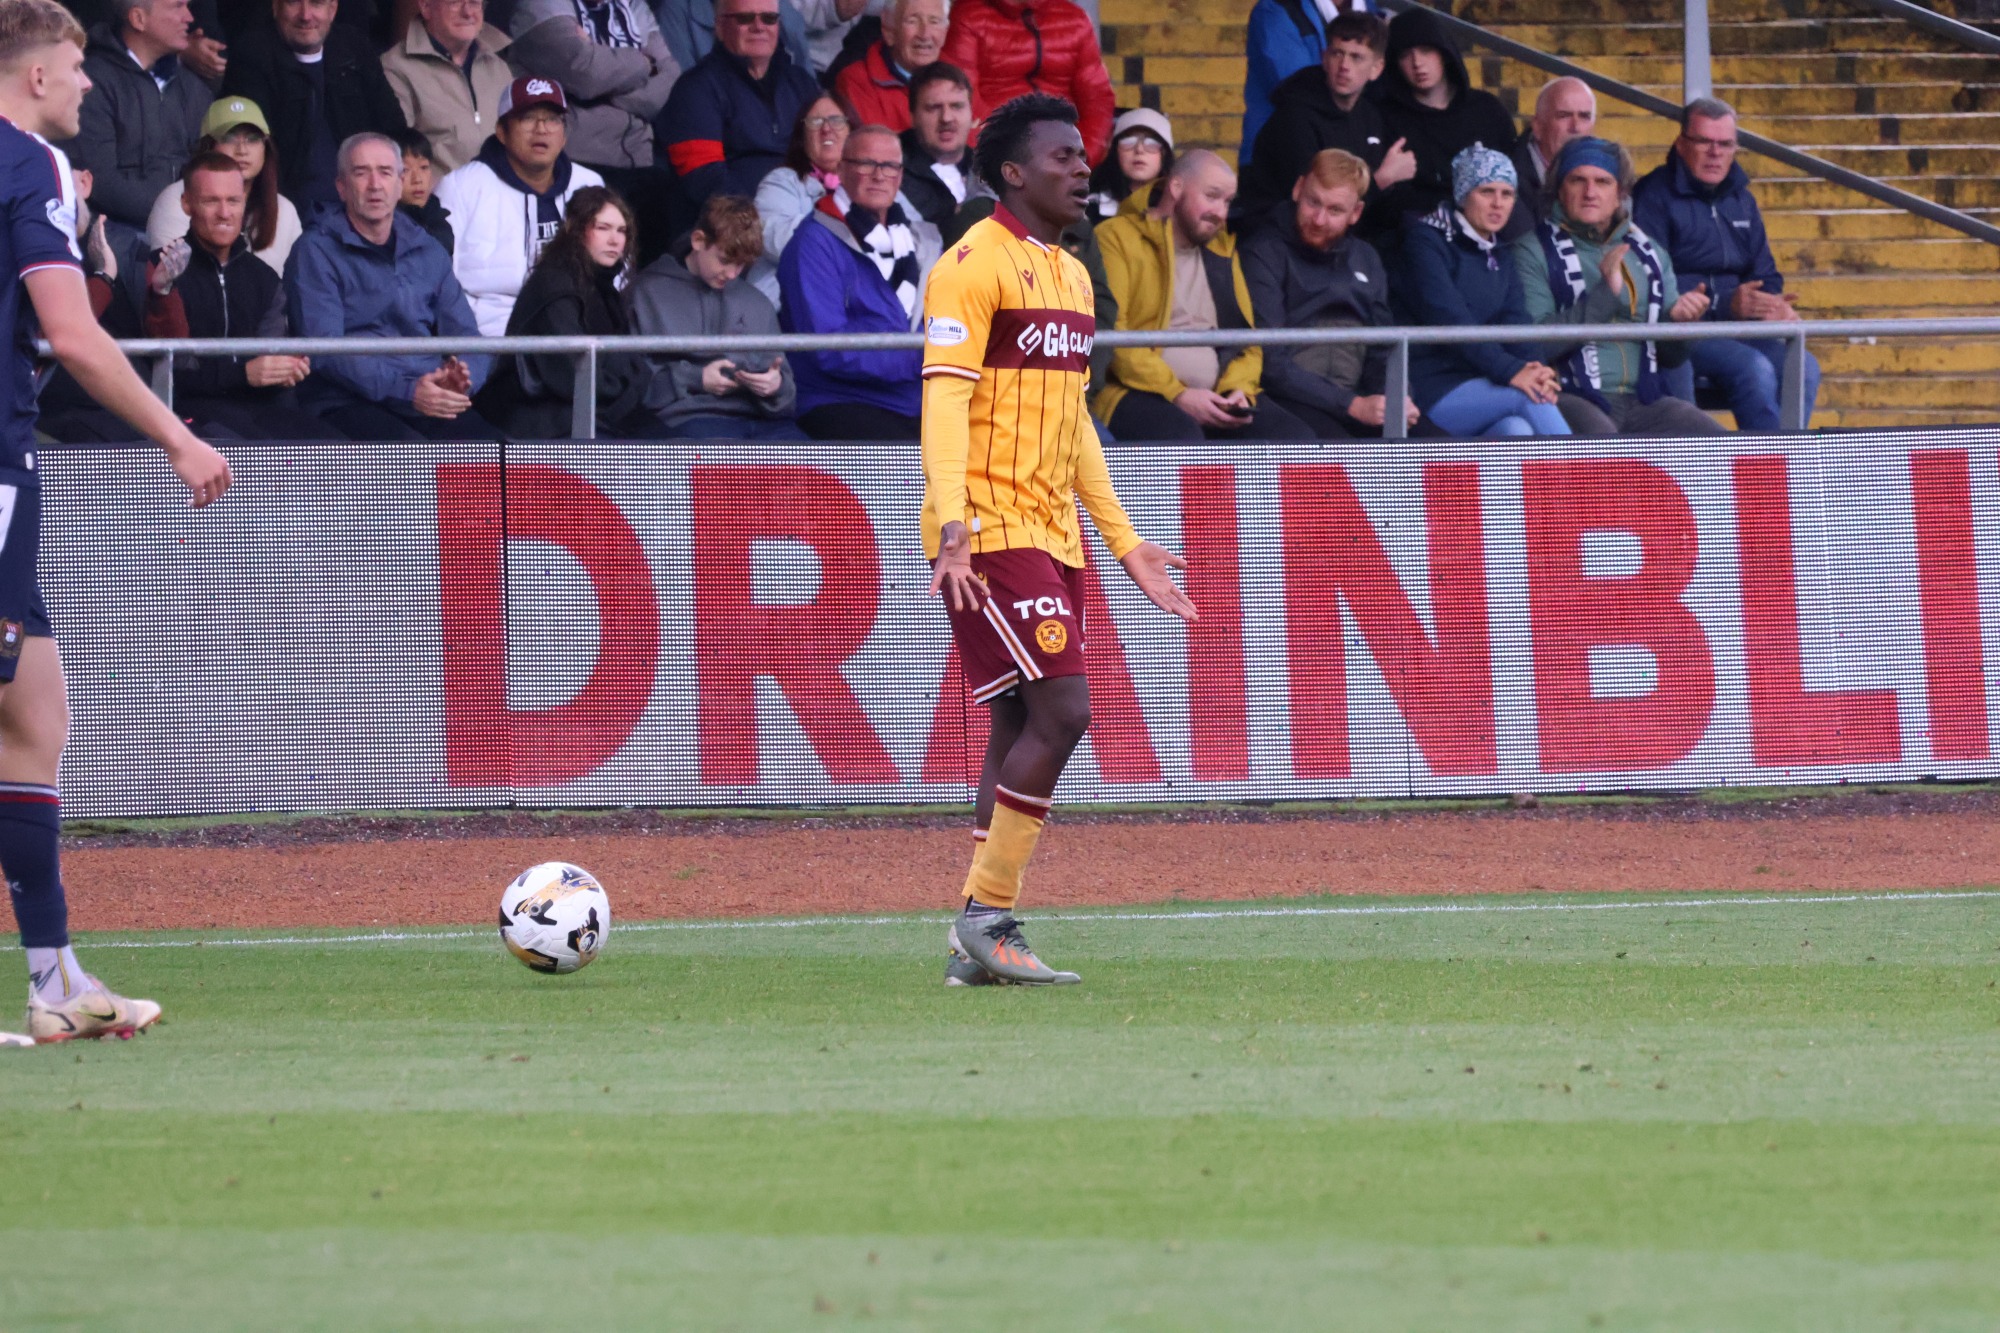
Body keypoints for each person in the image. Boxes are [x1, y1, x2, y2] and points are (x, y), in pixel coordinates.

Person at [920, 92, 1196, 986]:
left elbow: (1073, 420)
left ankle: (972, 945)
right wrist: (953, 526)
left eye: (1084, 155)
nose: (1084, 168)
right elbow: (944, 401)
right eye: (1063, 157)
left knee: (1017, 719)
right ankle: (988, 915)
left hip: (1052, 528)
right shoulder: (969, 266)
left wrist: (1123, 541)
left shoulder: (1073, 274)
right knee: (1065, 711)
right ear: (1012, 172)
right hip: (987, 528)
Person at [0, 0, 231, 1045]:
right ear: (37, 76)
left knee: (34, 717)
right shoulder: (31, 164)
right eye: (76, 67)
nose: (90, 83)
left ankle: (55, 982)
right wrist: (177, 437)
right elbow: (73, 333)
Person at [1095, 149, 1314, 442]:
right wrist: (1177, 393)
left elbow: (1248, 343)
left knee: (1294, 437)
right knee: (1183, 437)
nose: (1221, 213)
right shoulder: (1115, 237)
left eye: (1227, 201)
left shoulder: (1221, 249)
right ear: (1176, 187)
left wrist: (1237, 390)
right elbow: (1113, 337)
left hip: (1217, 394)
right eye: (1212, 196)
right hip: (1133, 390)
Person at [285, 131, 493, 438]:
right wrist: (408, 391)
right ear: (341, 187)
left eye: (385, 172)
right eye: (361, 173)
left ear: (399, 184)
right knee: (409, 458)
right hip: (345, 401)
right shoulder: (314, 250)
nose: (375, 184)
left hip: (427, 393)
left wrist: (461, 381)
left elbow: (467, 336)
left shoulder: (428, 248)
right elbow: (326, 350)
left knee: (493, 450)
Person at [1632, 96, 1820, 431]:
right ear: (1681, 144)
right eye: (1704, 142)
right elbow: (1652, 281)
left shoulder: (1742, 200)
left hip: (1740, 329)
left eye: (1725, 144)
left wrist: (1771, 305)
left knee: (1804, 367)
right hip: (1684, 333)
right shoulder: (1652, 195)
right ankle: (1765, 461)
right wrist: (1724, 303)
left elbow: (1766, 274)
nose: (1715, 153)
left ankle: (1785, 457)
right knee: (1754, 369)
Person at [1513, 136, 1722, 437]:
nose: (1590, 192)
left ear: (1620, 193)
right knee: (1611, 453)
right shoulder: (1531, 250)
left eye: (1602, 182)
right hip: (1569, 396)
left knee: (1715, 442)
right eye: (1577, 180)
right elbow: (1536, 346)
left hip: (1644, 400)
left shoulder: (1650, 252)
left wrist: (1679, 324)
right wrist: (1605, 296)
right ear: (1559, 189)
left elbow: (1672, 357)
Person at [142, 152, 344, 438]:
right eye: (211, 201)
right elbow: (173, 372)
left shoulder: (264, 277)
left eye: (233, 201)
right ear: (187, 204)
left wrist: (288, 368)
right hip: (188, 413)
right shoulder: (161, 268)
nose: (224, 213)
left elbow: (271, 354)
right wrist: (244, 374)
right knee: (254, 447)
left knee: (333, 446)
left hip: (260, 408)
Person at [777, 122, 938, 438]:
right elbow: (828, 348)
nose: (879, 175)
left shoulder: (922, 242)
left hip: (917, 402)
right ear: (841, 170)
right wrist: (921, 357)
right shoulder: (814, 243)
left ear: (900, 176)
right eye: (866, 164)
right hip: (840, 401)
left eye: (889, 166)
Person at [1394, 145, 1568, 437]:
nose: (1498, 204)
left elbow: (1517, 322)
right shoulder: (1425, 242)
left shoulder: (1500, 252)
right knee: (1531, 398)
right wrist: (1512, 371)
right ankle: (1586, 469)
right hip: (1430, 387)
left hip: (1485, 380)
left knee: (1515, 430)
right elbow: (1451, 321)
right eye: (1487, 192)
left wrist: (1537, 370)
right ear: (1464, 194)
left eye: (1507, 194)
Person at [1241, 148, 1416, 438]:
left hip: (1357, 398)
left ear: (1355, 213)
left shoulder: (1366, 258)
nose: (1319, 219)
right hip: (1289, 400)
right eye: (1313, 202)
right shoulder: (1263, 252)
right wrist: (1351, 405)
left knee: (1436, 445)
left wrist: (1397, 398)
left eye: (1335, 210)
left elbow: (1384, 349)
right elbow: (1270, 361)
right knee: (1341, 451)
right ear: (1298, 189)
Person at [477, 185, 667, 437]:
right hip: (544, 417)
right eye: (603, 228)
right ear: (576, 230)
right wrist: (625, 387)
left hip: (592, 407)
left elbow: (626, 361)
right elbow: (569, 374)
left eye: (621, 230)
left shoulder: (602, 286)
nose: (615, 240)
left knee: (671, 441)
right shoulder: (555, 283)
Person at [433, 76, 605, 335]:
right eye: (528, 118)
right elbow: (438, 279)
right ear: (501, 132)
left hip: (577, 335)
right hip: (489, 338)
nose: (541, 129)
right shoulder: (460, 187)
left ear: (564, 136)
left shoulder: (589, 184)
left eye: (552, 119)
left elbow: (615, 271)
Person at [630, 193, 805, 438]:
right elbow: (632, 387)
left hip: (763, 422)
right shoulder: (645, 293)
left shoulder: (756, 301)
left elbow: (787, 396)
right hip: (688, 420)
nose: (732, 274)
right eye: (725, 260)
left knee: (809, 454)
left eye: (741, 265)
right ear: (698, 240)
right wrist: (697, 378)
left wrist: (775, 386)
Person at [219, 0, 408, 215]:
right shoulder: (251, 56)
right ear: (275, 7)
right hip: (286, 212)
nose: (306, 15)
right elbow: (254, 148)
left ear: (332, 9)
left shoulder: (354, 48)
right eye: (293, 2)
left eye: (316, 3)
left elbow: (394, 130)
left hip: (363, 208)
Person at [1234, 13, 1412, 238]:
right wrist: (1383, 180)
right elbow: (1313, 206)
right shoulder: (1294, 116)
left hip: (1342, 240)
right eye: (1337, 53)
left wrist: (1393, 184)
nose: (1344, 66)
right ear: (1324, 58)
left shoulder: (1371, 117)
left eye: (1356, 57)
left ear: (1377, 68)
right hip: (1280, 237)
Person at [658, 0, 816, 220]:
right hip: (734, 226)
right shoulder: (695, 88)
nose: (759, 27)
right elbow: (704, 179)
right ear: (720, 27)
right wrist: (764, 217)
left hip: (805, 214)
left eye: (769, 19)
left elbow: (830, 155)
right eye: (745, 18)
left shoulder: (801, 83)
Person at [62, 0, 213, 228]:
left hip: (189, 228)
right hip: (119, 234)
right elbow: (99, 181)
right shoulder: (91, 83)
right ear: (138, 19)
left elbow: (210, 167)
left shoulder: (193, 87)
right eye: (177, 6)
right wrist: (176, 214)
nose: (189, 18)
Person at [1371, 6, 1517, 231]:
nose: (1417, 63)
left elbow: (1513, 182)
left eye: (1426, 50)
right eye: (1405, 55)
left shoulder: (1487, 110)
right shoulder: (1384, 117)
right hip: (1414, 234)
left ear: (1444, 53)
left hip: (1487, 234)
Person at [506, 0, 676, 182]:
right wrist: (646, 63)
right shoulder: (540, 5)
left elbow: (670, 84)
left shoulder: (633, 6)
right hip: (573, 159)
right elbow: (586, 75)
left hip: (639, 157)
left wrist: (605, 82)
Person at [940, 0, 1113, 162]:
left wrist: (1082, 156)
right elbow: (960, 96)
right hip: (999, 155)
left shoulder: (1075, 20)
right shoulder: (969, 16)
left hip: (1066, 153)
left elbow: (1097, 98)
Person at [144, 95, 302, 272]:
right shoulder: (176, 199)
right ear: (208, 147)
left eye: (253, 139)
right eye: (229, 138)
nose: (242, 150)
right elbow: (172, 279)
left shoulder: (285, 210)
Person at [379, 0, 513, 175]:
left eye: (474, 3)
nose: (468, 12)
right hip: (439, 191)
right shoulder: (396, 67)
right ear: (426, 6)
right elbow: (396, 153)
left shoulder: (498, 65)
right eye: (455, 3)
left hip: (502, 189)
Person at [1239, 0, 1372, 165]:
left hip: (1348, 159)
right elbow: (1297, 88)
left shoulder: (1374, 10)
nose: (1344, 65)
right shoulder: (1276, 11)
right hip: (1280, 160)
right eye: (1337, 54)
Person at [831, 0, 942, 132]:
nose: (925, 34)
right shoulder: (856, 82)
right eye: (912, 21)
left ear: (945, 31)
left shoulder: (955, 79)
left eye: (934, 22)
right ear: (889, 32)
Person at [1507, 75, 1594, 235]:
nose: (1575, 127)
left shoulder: (1608, 176)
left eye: (1584, 116)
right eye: (1564, 116)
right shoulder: (1506, 181)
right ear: (1538, 127)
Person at [896, 60, 969, 229]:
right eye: (934, 108)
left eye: (957, 106)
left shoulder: (989, 166)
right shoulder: (890, 171)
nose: (946, 118)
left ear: (971, 113)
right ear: (913, 117)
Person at [1084, 107, 1171, 226]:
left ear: (1164, 153)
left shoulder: (1177, 208)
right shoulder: (1090, 206)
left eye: (1151, 142)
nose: (1139, 150)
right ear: (1115, 151)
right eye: (1129, 141)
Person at [395, 127, 454, 253]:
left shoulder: (440, 219)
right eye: (405, 170)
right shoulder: (385, 227)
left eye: (423, 167)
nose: (417, 179)